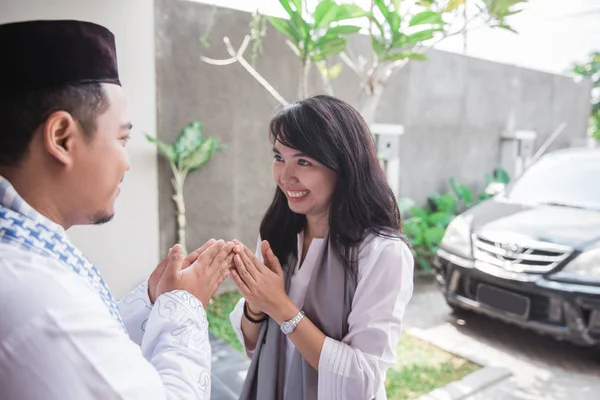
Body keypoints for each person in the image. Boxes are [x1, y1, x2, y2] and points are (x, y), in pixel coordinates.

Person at [0, 20, 231, 399]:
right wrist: (183, 306)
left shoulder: (27, 264)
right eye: (121, 139)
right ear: (62, 137)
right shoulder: (33, 295)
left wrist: (155, 301)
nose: (125, 163)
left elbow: (92, 351)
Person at [228, 95, 415, 400]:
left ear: (344, 167)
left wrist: (280, 306)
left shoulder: (382, 254)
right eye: (279, 158)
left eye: (303, 161)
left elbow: (362, 380)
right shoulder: (279, 234)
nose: (285, 177)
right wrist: (256, 304)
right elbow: (253, 345)